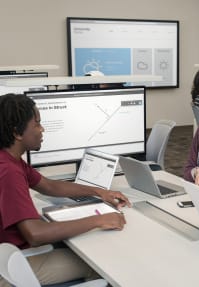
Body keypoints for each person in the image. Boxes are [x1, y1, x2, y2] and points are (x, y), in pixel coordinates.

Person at [0, 93, 131, 286]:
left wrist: (99, 192)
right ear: (17, 133)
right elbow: (35, 234)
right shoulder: (8, 171)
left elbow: (50, 186)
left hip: (13, 253)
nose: (42, 129)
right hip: (14, 266)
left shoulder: (10, 159)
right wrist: (99, 219)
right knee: (101, 263)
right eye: (37, 124)